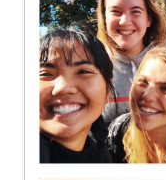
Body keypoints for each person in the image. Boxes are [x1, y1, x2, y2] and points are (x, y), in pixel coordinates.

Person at [97, 0, 166, 124]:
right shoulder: (91, 66)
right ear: (104, 18)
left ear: (148, 19)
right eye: (115, 11)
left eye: (135, 11)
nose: (125, 21)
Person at [39, 25, 114, 163]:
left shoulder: (103, 159)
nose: (63, 88)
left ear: (108, 91)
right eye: (45, 74)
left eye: (83, 72)